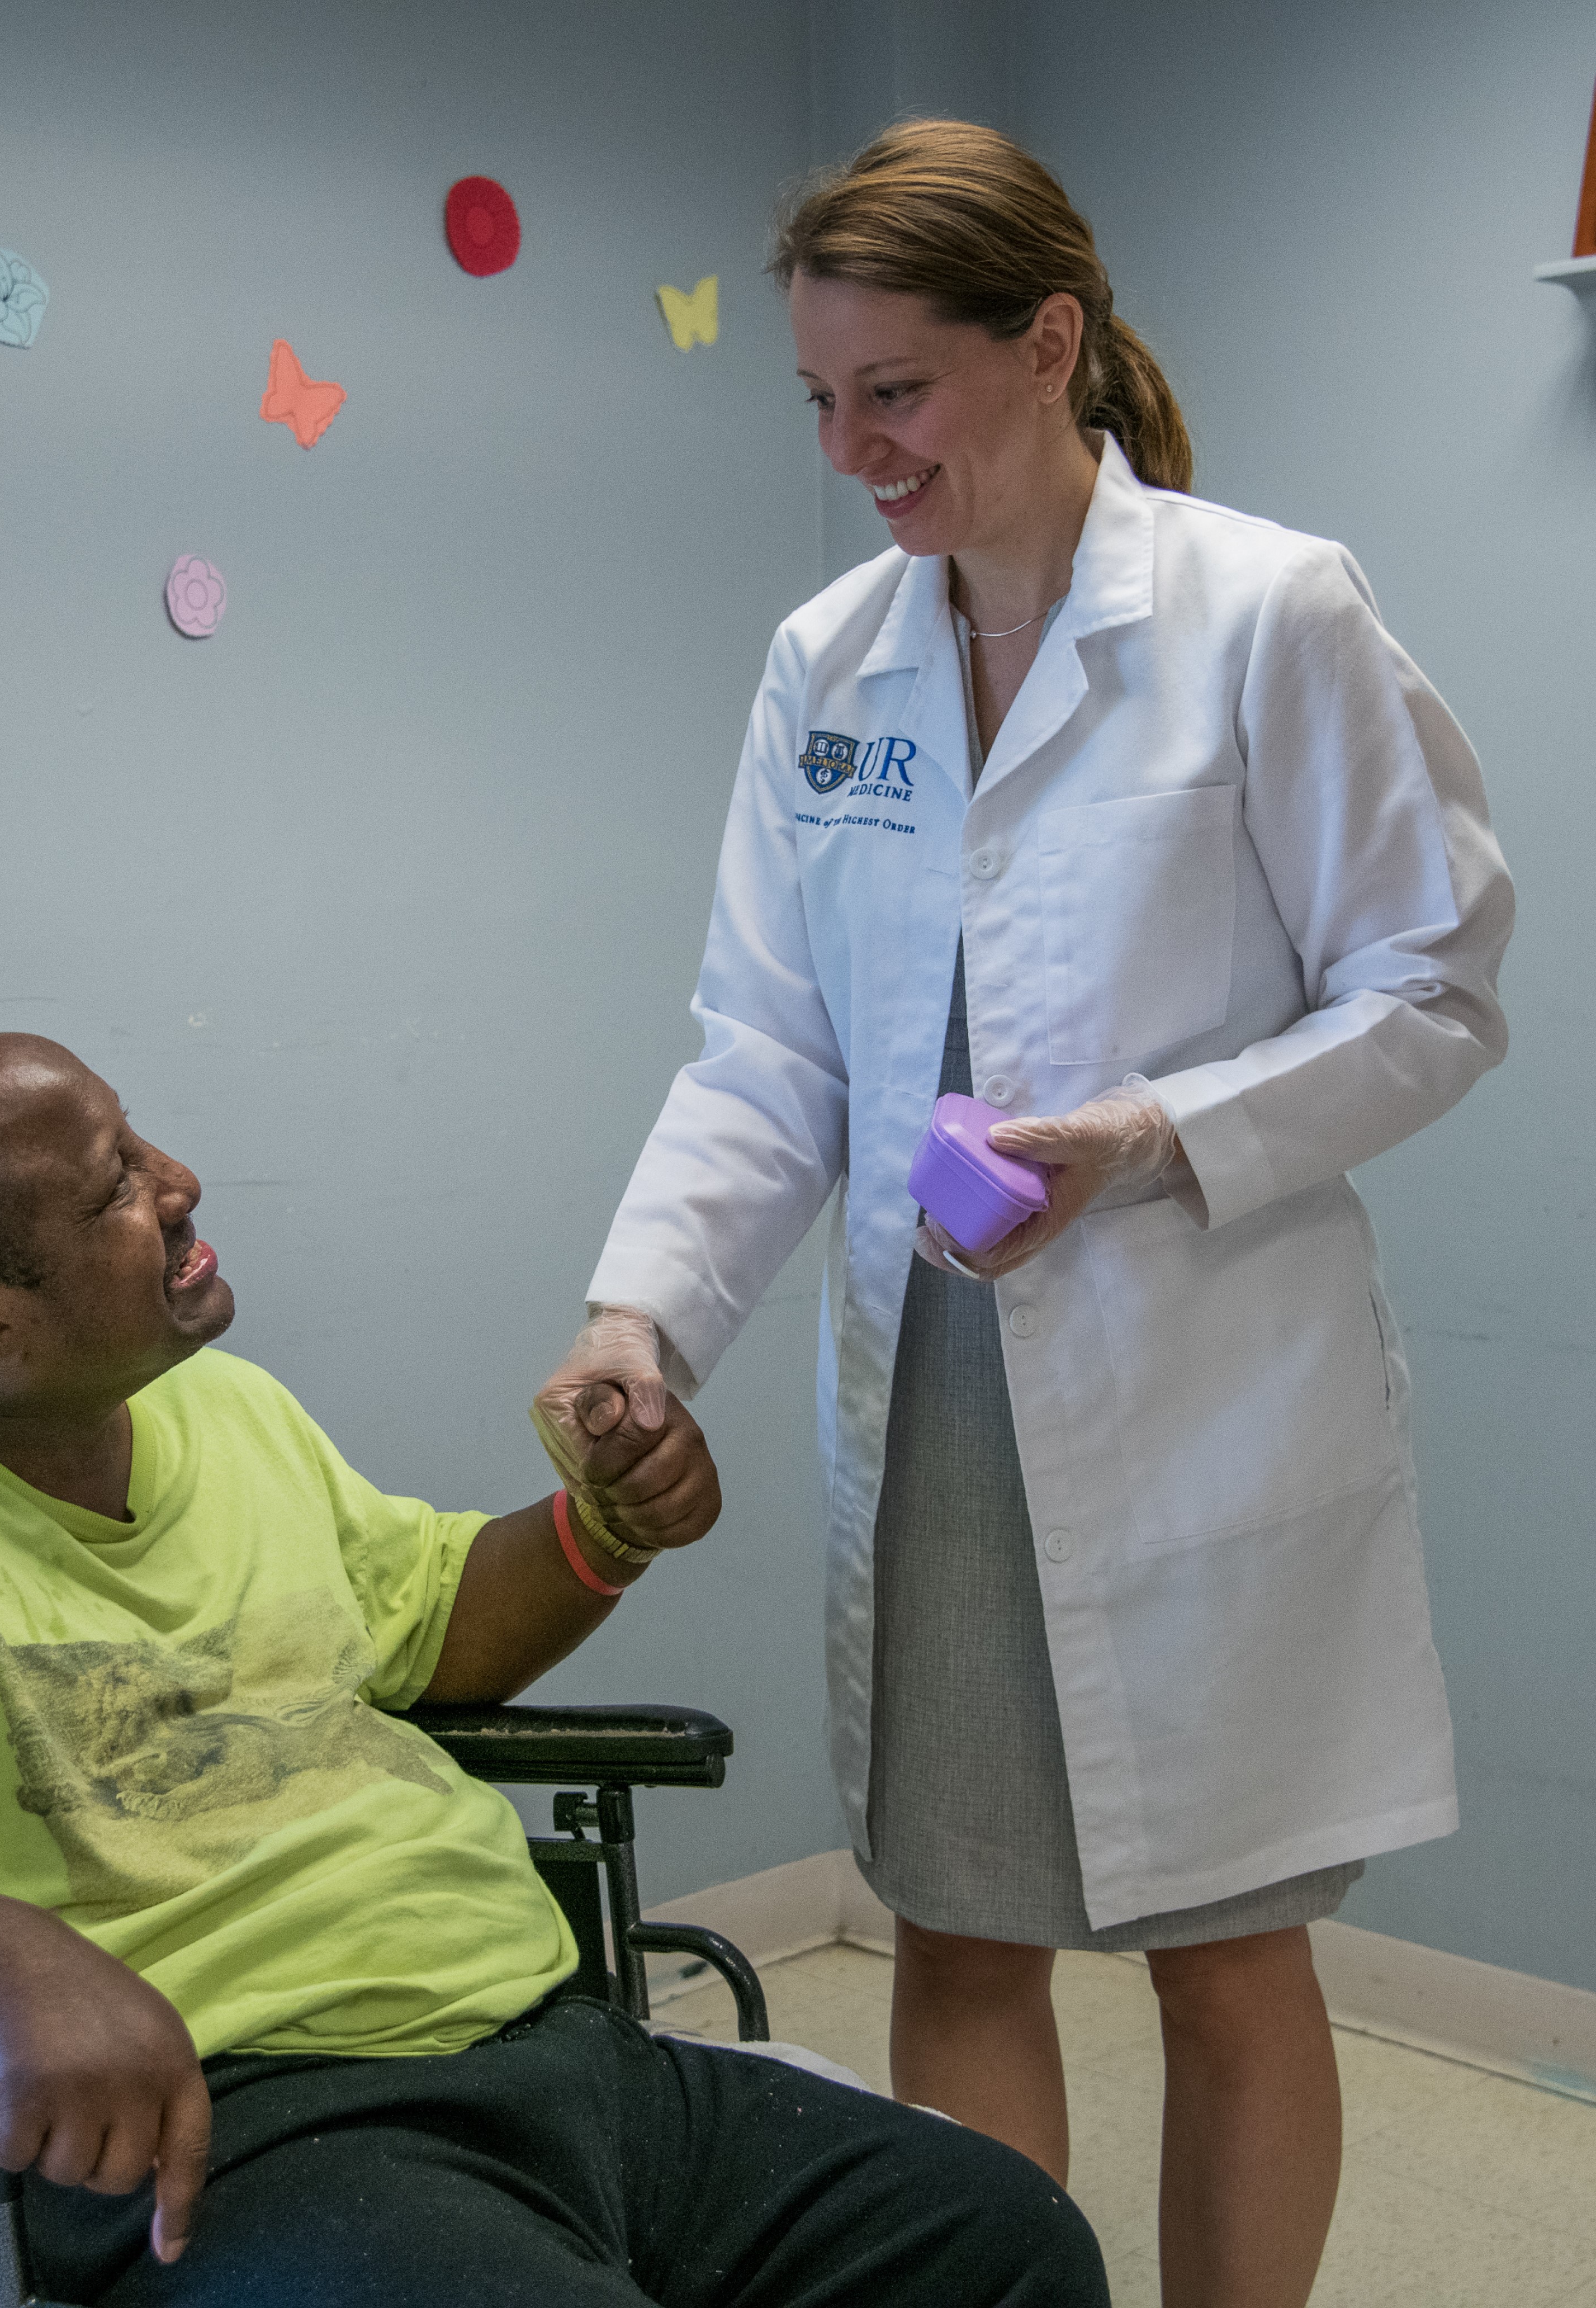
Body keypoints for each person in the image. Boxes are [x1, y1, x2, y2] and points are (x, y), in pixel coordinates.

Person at [536, 120, 1512, 2308]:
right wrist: (642, 1319)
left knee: (1226, 1954)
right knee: (959, 1923)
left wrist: (1150, 1136)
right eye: (818, 398)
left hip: (1207, 1386)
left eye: (894, 390)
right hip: (941, 1402)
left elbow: (1437, 995)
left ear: (1047, 342)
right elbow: (767, 1054)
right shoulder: (829, 663)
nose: (852, 447)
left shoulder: (1270, 613)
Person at [0, 1032, 1106, 2308]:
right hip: (247, 2134)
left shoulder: (227, 1416)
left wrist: (600, 1530)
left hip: (546, 2049)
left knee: (1001, 2244)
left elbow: (432, 1631)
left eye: (137, 1136)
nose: (180, 1180)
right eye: (115, 1185)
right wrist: (2, 1961)